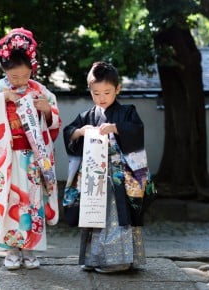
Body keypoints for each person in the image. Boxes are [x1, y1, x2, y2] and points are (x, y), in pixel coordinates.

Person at [0, 28, 61, 270]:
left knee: (33, 202)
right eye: (14, 77)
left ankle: (31, 250)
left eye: (24, 76)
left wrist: (45, 109)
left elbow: (54, 120)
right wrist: (3, 98)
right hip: (8, 156)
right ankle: (11, 251)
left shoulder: (40, 90)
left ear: (32, 69)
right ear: (4, 70)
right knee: (11, 200)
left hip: (33, 157)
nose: (21, 81)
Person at [63, 61, 148, 273]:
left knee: (117, 215)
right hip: (94, 176)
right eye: (96, 93)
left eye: (107, 92)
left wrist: (116, 128)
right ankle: (94, 258)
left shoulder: (127, 112)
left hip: (120, 178)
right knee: (93, 214)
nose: (101, 98)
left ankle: (119, 260)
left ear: (118, 89)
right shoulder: (87, 116)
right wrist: (80, 132)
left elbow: (136, 132)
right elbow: (69, 132)